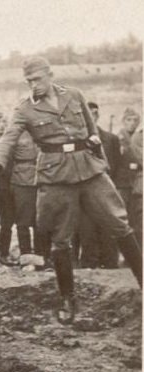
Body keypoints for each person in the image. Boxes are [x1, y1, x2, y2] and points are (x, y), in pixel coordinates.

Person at [0, 57, 142, 323]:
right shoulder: (24, 109)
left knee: (119, 223)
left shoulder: (75, 95)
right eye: (29, 81)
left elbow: (92, 132)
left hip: (89, 171)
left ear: (50, 75)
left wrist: (103, 165)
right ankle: (68, 297)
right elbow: (8, 138)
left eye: (38, 79)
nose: (34, 85)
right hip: (56, 176)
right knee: (61, 238)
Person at [75, 101, 121, 269]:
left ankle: (109, 263)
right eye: (89, 114)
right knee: (87, 228)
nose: (92, 117)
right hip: (85, 190)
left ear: (98, 115)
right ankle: (89, 263)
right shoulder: (78, 140)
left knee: (108, 226)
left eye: (95, 114)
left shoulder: (111, 139)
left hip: (105, 189)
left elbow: (116, 165)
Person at [8, 129, 50, 268]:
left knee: (41, 220)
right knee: (23, 222)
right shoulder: (16, 133)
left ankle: (41, 257)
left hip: (43, 179)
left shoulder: (43, 130)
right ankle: (25, 257)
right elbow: (7, 157)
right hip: (21, 181)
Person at [0, 111, 16, 265]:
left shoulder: (12, 141)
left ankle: (4, 254)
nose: (2, 126)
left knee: (7, 223)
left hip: (8, 187)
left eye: (5, 122)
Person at [117, 107, 142, 243]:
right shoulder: (117, 139)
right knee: (122, 218)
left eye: (135, 120)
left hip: (136, 185)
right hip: (122, 184)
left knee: (136, 219)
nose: (132, 123)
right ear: (123, 121)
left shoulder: (139, 138)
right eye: (129, 120)